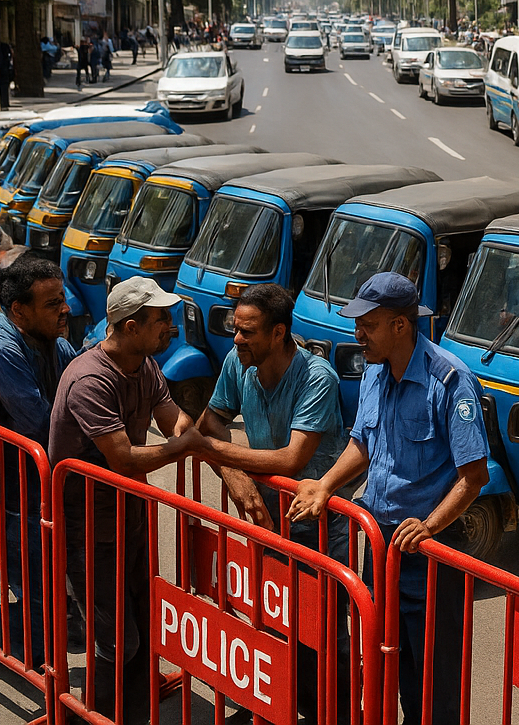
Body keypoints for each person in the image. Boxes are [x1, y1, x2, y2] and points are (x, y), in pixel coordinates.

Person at [288, 272, 488, 725]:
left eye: (369, 325)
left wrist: (431, 526)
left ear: (400, 325)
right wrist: (326, 484)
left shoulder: (450, 380)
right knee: (382, 664)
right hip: (379, 546)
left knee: (434, 682)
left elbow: (473, 475)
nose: (358, 335)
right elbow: (363, 443)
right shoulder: (375, 372)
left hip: (429, 553)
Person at [194, 283, 351, 723]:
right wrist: (234, 476)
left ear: (280, 333)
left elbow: (292, 459)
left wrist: (213, 452)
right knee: (269, 621)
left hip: (317, 528)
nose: (237, 340)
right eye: (235, 329)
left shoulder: (317, 377)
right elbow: (212, 421)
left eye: (248, 332)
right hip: (266, 522)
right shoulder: (235, 362)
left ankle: (328, 714)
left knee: (322, 633)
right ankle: (273, 707)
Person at [49, 277, 195, 724]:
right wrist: (190, 446)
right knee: (115, 636)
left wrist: (183, 434)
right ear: (131, 327)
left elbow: (174, 417)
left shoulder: (144, 364)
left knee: (141, 619)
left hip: (127, 515)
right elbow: (124, 458)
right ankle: (99, 713)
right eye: (161, 320)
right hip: (87, 526)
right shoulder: (90, 379)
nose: (170, 327)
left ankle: (131, 707)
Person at [0, 257, 76, 664]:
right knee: (33, 576)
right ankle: (45, 672)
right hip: (4, 483)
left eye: (63, 298)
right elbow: (41, 424)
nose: (65, 309)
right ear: (18, 310)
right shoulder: (1, 350)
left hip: (23, 479)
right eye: (53, 302)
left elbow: (80, 382)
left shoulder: (53, 340)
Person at [0, 36, 12, 110]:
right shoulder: (5, 55)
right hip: (4, 73)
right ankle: (4, 103)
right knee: (4, 89)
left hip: (1, 73)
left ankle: (4, 103)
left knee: (2, 89)